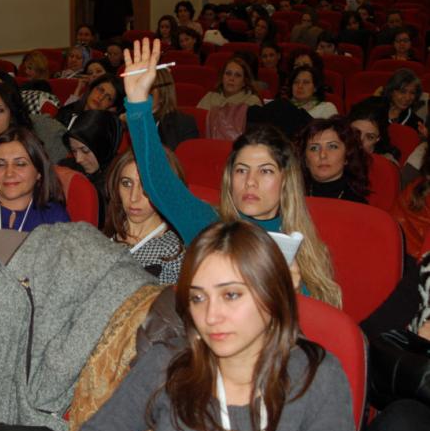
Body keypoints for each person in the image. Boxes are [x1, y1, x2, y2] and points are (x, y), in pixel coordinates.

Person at [69, 221, 356, 431]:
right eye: (198, 298)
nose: (211, 316)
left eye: (230, 295)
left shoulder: (316, 377)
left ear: (271, 294)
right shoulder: (168, 363)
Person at [122, 38, 341, 307]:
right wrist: (138, 104)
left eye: (265, 171)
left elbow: (320, 325)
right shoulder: (210, 226)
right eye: (241, 170)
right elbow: (160, 182)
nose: (250, 182)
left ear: (286, 180)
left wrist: (293, 295)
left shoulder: (305, 252)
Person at [103, 149, 185, 284]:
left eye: (146, 187)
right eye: (126, 183)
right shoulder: (103, 237)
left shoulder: (174, 253)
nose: (133, 197)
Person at [60, 109, 122, 227]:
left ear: (103, 146)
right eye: (74, 151)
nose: (78, 159)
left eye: (85, 151)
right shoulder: (68, 168)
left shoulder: (117, 182)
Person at [297, 116, 369, 204]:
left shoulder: (358, 205)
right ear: (305, 159)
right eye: (314, 148)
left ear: (347, 156)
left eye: (332, 146)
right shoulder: (290, 198)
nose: (322, 155)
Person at [56, 74, 123, 129]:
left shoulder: (103, 131)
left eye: (109, 98)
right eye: (100, 90)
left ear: (111, 107)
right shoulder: (67, 111)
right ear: (91, 89)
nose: (101, 97)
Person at [197, 57, 262, 110]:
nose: (231, 78)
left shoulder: (253, 102)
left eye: (237, 75)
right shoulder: (209, 97)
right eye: (228, 73)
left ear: (244, 82)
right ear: (222, 77)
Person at [347, 100, 400, 165]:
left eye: (370, 137)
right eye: (356, 133)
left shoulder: (384, 163)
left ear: (378, 139)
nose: (360, 141)